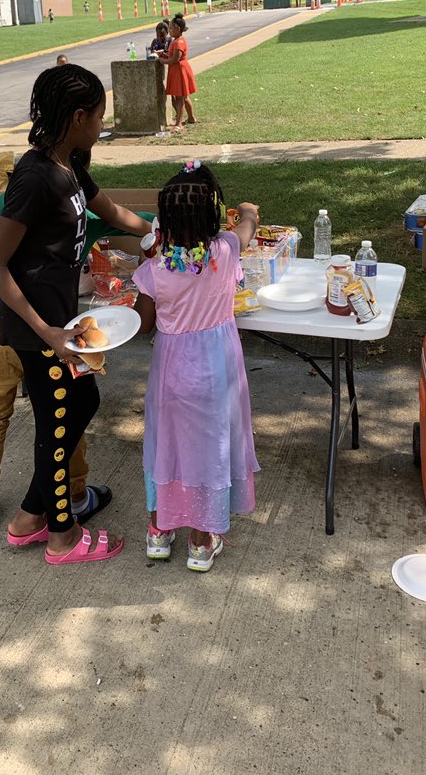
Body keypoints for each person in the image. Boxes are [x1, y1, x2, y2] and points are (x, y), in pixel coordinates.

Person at [0, 63, 151, 564]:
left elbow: (111, 211)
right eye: (99, 116)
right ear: (78, 117)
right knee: (56, 426)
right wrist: (46, 332)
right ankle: (62, 537)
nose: (102, 124)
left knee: (82, 402)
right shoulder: (36, 178)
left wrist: (159, 234)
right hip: (41, 330)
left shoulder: (69, 165)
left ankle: (29, 516)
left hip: (64, 324)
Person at [0, 181, 154, 528]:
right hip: (55, 334)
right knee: (66, 414)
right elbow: (134, 220)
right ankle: (76, 495)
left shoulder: (9, 202)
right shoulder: (81, 215)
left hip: (3, 325)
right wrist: (169, 225)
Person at [133, 162, 260, 572]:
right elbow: (246, 229)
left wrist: (145, 264)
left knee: (167, 446)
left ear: (164, 223)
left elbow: (143, 324)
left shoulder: (156, 270)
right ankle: (201, 543)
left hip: (171, 371)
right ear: (214, 218)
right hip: (217, 371)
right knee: (210, 450)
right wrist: (249, 212)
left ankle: (158, 532)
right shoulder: (224, 251)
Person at [157, 13, 197, 130]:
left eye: (170, 28)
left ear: (178, 28)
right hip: (177, 70)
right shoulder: (176, 40)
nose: (169, 31)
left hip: (180, 71)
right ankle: (191, 118)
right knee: (184, 96)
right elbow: (173, 56)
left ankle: (178, 124)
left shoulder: (179, 42)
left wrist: (162, 61)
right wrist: (165, 55)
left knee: (180, 98)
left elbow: (175, 59)